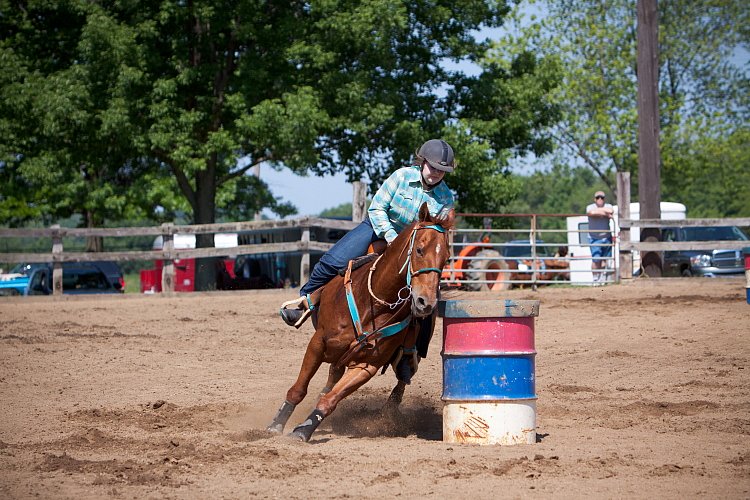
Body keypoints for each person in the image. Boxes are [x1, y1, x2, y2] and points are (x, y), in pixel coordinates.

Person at [279, 139, 457, 382]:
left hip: (416, 248)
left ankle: (410, 353)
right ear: (423, 161)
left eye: (442, 171)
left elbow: (437, 232)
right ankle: (305, 301)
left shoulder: (446, 197)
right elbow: (377, 208)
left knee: (427, 303)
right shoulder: (401, 177)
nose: (437, 174)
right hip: (379, 229)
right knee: (333, 260)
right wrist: (393, 238)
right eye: (434, 167)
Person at [586, 190, 614, 283]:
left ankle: (602, 277)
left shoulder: (608, 206)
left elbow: (610, 211)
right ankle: (595, 278)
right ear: (595, 199)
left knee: (604, 259)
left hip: (606, 237)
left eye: (602, 197)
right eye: (598, 197)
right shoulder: (590, 207)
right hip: (594, 237)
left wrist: (598, 212)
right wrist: (604, 213)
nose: (600, 199)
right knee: (596, 259)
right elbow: (590, 213)